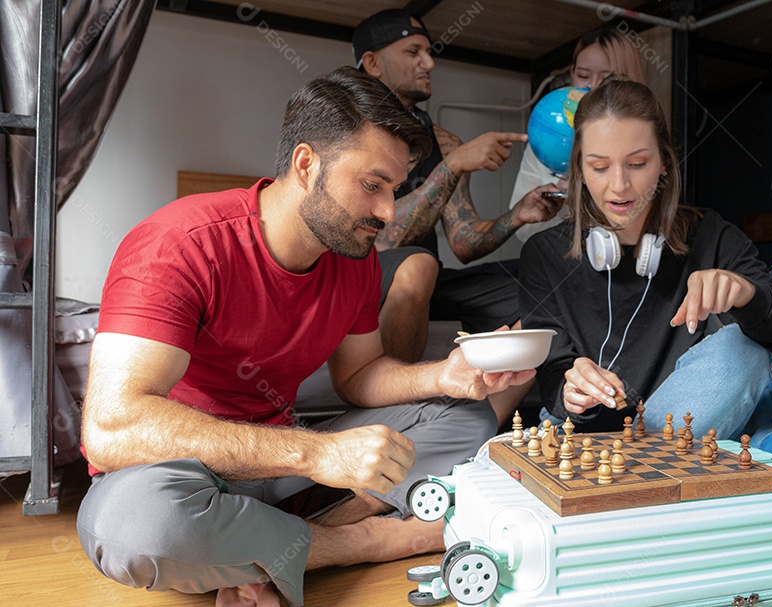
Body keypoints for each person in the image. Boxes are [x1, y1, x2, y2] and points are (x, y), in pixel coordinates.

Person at [77, 68, 534, 607]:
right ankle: (359, 540)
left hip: (278, 471)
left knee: (466, 417)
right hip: (178, 476)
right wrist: (313, 455)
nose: (387, 213)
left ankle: (262, 547)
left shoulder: (352, 260)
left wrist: (446, 374)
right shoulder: (178, 244)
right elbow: (111, 428)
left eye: (393, 189)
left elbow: (359, 375)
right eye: (372, 185)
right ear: (305, 164)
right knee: (134, 530)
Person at [518, 77, 772, 437]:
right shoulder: (542, 254)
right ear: (579, 168)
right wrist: (570, 389)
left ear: (663, 162)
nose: (619, 185)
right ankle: (640, 474)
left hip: (674, 429)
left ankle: (640, 469)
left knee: (746, 352)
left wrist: (746, 294)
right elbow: (552, 371)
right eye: (599, 167)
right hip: (581, 434)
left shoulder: (711, 236)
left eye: (638, 163)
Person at [352, 9, 563, 364]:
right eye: (413, 51)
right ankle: (396, 396)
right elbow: (382, 239)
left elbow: (463, 241)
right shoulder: (353, 133)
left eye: (429, 52)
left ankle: (519, 408)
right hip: (360, 277)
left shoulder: (444, 142)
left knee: (540, 276)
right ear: (372, 62)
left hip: (427, 279)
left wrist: (517, 215)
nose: (428, 63)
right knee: (418, 263)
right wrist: (451, 167)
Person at [511, 26, 648, 244]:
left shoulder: (646, 142)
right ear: (572, 75)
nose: (592, 86)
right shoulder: (547, 139)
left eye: (607, 77)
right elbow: (524, 232)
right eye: (583, 76)